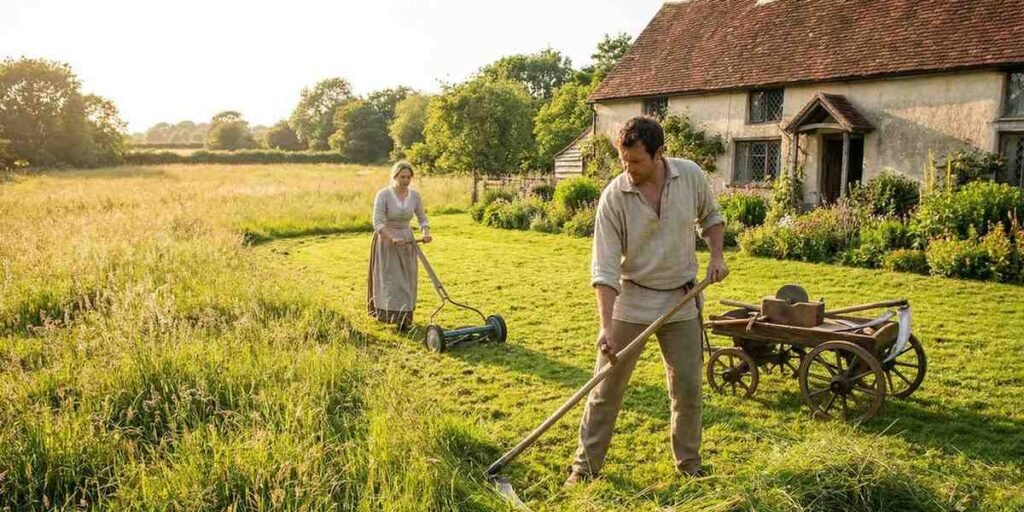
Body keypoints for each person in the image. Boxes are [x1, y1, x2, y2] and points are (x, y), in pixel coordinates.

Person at [565, 116, 729, 486]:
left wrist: (716, 255)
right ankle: (584, 468)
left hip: (681, 299)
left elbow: (712, 218)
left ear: (659, 154)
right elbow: (604, 268)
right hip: (632, 299)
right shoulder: (614, 196)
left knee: (687, 389)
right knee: (606, 390)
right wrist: (606, 326)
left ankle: (689, 464)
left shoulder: (689, 176)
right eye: (623, 160)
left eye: (636, 161)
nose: (628, 168)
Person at [367, 161, 431, 330]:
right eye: (402, 177)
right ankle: (390, 315)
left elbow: (422, 218)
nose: (406, 180)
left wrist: (425, 233)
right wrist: (392, 237)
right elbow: (377, 223)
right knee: (391, 280)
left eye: (408, 177)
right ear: (394, 177)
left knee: (407, 280)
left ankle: (405, 317)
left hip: (407, 240)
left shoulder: (415, 196)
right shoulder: (383, 195)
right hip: (387, 241)